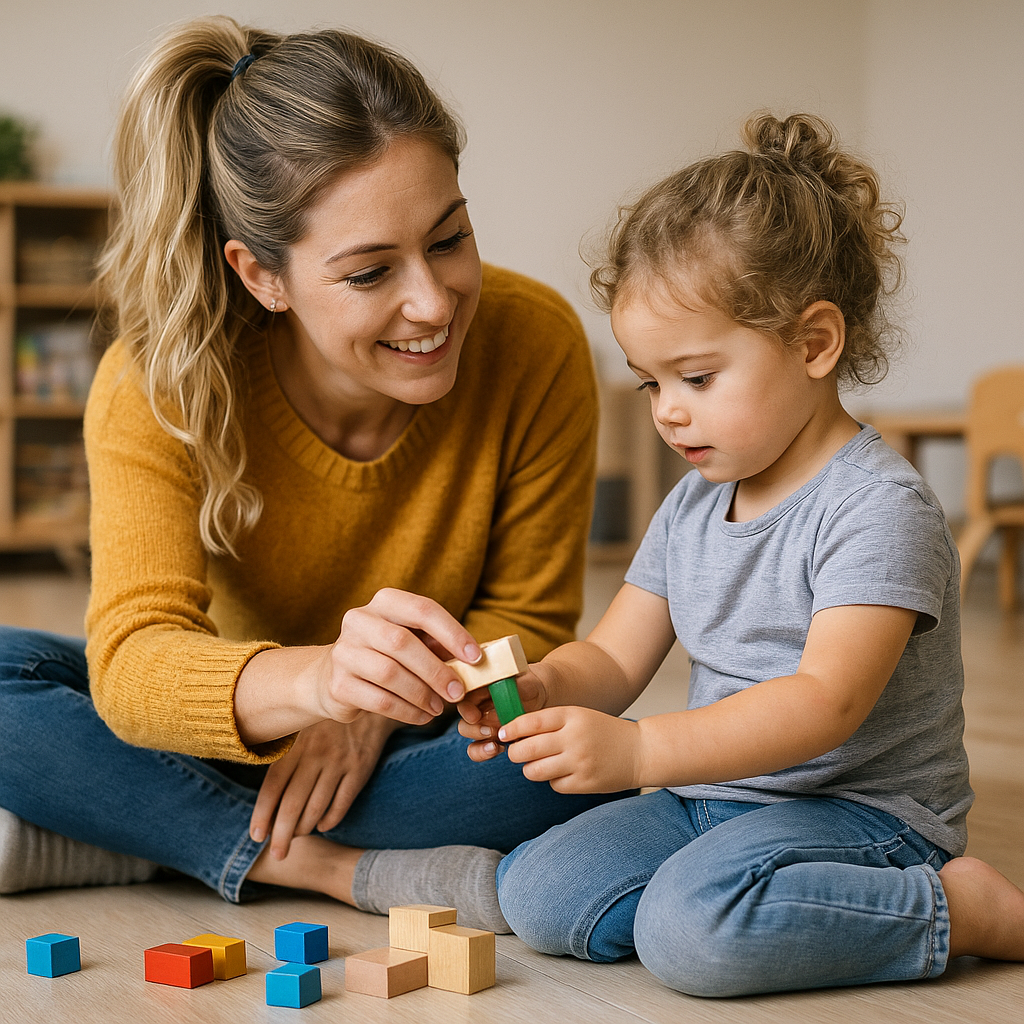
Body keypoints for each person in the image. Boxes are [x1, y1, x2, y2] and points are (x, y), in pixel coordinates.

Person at [0, 16, 620, 925]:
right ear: (262, 276)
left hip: (406, 748)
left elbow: (528, 620)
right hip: (225, 736)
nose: (433, 300)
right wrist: (322, 684)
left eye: (449, 239)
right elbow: (134, 666)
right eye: (370, 273)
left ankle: (141, 837)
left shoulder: (537, 344)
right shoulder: (156, 383)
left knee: (565, 773)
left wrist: (371, 711)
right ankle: (317, 870)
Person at [458, 112, 1024, 992]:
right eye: (652, 383)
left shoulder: (879, 506)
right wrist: (541, 689)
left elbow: (823, 704)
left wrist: (641, 755)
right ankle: (765, 901)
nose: (667, 411)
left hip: (862, 810)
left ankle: (958, 907)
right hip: (718, 794)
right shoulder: (692, 505)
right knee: (540, 891)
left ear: (813, 343)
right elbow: (613, 655)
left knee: (694, 932)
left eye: (697, 377)